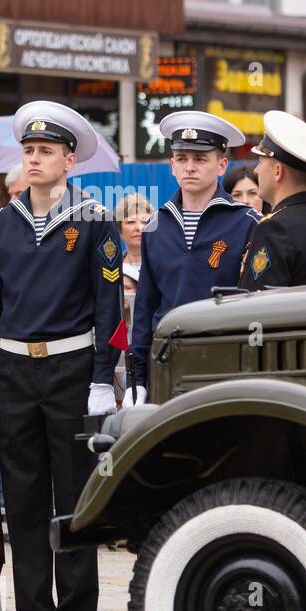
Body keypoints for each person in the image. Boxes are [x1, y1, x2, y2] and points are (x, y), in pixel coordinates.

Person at [0, 101, 121, 611]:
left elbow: (109, 307)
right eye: (29, 151)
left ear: (67, 161)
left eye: (46, 152)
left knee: (74, 494)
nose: (35, 159)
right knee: (25, 495)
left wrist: (103, 377)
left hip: (72, 366)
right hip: (14, 369)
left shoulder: (93, 219)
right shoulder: (2, 226)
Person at [126, 113, 257, 407]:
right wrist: (139, 380)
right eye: (181, 158)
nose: (189, 167)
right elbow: (146, 307)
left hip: (225, 361)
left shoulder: (247, 223)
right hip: (166, 362)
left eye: (200, 158)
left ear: (222, 164)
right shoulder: (154, 225)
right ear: (171, 165)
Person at [239, 110, 306, 289]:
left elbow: (255, 304)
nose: (256, 170)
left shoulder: (275, 229)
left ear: (277, 171)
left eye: (261, 162)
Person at [116, 193, 152, 290]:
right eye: (131, 222)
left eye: (144, 222)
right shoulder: (112, 268)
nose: (139, 228)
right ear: (119, 229)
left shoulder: (165, 265)